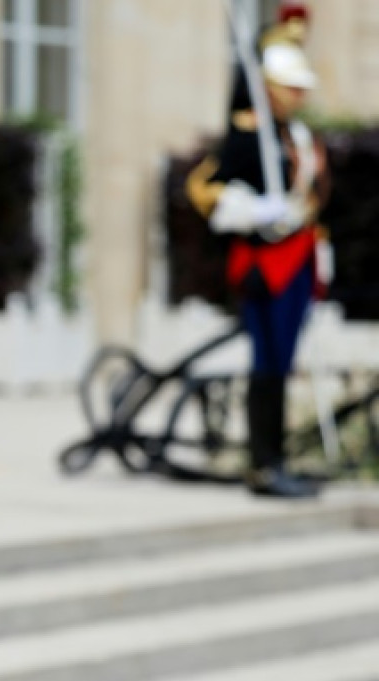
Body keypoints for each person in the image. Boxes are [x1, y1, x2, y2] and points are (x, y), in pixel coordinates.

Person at [187, 14, 328, 498]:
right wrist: (249, 209)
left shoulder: (296, 139)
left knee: (282, 364)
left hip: (297, 260)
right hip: (264, 264)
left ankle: (276, 458)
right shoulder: (247, 137)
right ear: (268, 88)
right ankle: (264, 464)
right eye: (289, 87)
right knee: (267, 363)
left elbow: (313, 194)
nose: (298, 96)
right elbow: (207, 189)